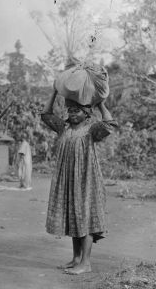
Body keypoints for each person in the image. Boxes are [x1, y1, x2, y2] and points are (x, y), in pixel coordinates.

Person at [41, 89, 117, 275]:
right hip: (68, 180)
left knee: (86, 218)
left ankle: (86, 262)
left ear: (87, 114)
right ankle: (76, 258)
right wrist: (53, 93)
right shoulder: (63, 129)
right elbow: (46, 115)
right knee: (74, 217)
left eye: (78, 110)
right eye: (71, 110)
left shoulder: (91, 131)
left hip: (87, 182)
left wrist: (99, 103)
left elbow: (109, 124)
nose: (73, 113)